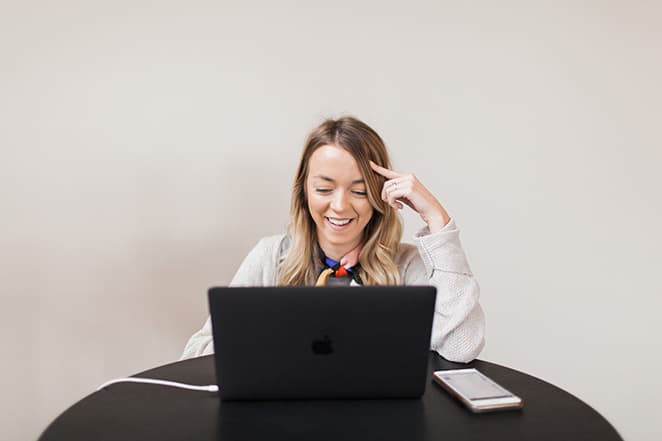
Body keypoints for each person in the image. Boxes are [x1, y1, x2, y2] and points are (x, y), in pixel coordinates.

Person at [181, 116, 485, 363]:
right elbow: (196, 353)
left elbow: (461, 347)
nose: (339, 206)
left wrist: (437, 220)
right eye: (324, 189)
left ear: (381, 194)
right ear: (304, 192)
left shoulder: (406, 267)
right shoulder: (270, 256)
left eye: (360, 190)